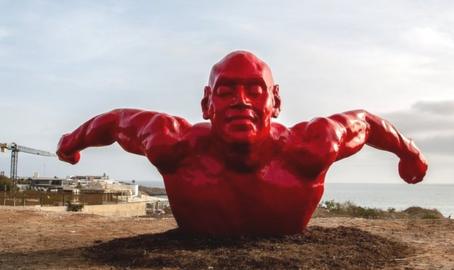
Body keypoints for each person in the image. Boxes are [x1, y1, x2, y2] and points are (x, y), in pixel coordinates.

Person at [57, 51, 427, 235]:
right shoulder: (172, 145)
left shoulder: (310, 149)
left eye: (255, 90)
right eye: (227, 91)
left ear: (276, 103)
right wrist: (71, 142)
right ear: (206, 103)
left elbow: (363, 123)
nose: (242, 101)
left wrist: (408, 151)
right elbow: (116, 122)